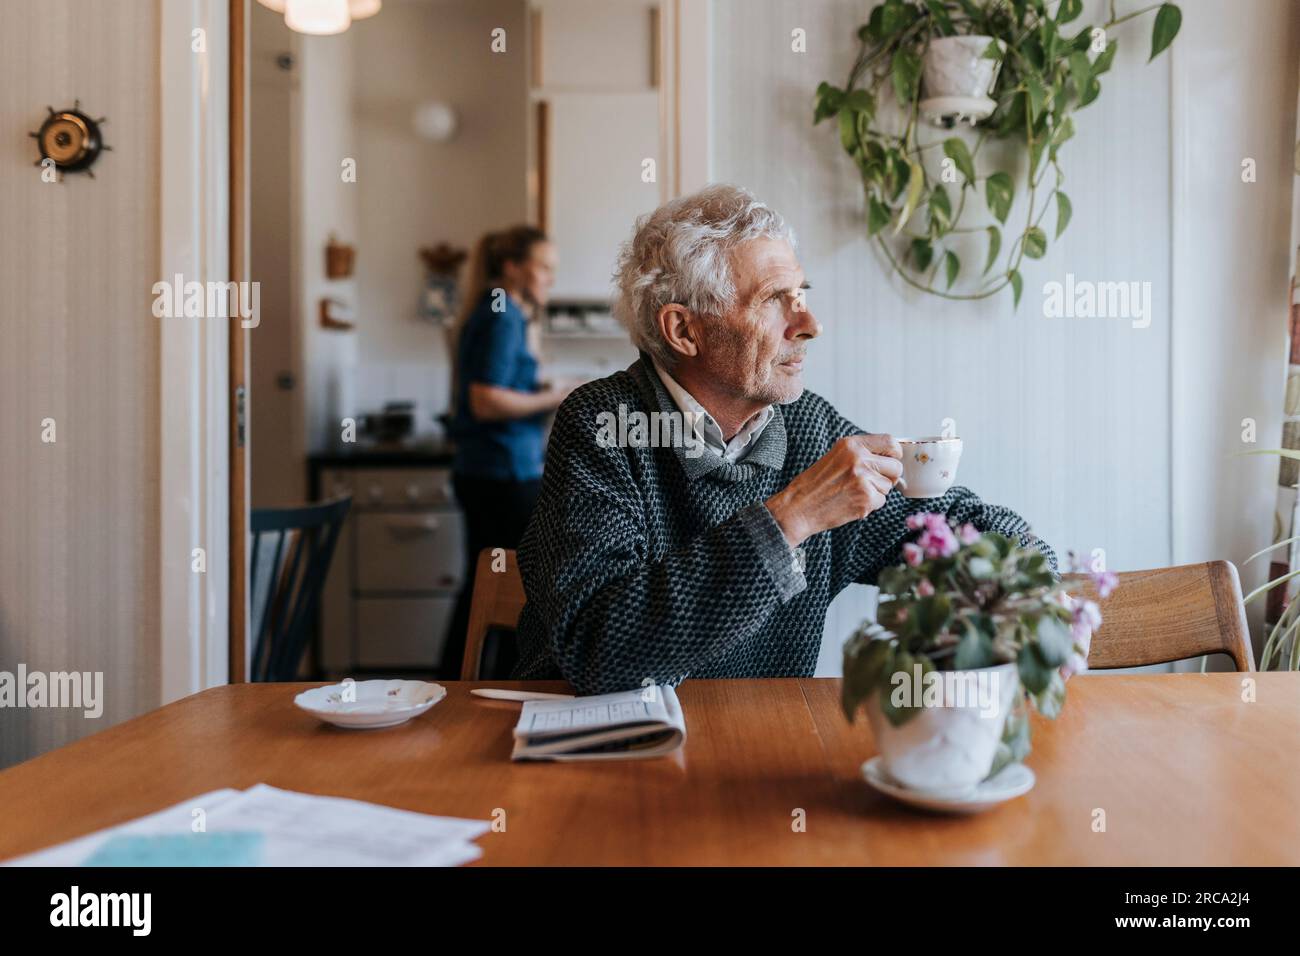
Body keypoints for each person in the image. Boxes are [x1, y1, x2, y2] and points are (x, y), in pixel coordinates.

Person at [512, 184, 1065, 695]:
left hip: (758, 751)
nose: (809, 324)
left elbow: (946, 528)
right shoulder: (602, 424)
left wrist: (1035, 580)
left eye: (801, 294)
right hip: (590, 757)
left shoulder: (807, 428)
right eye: (775, 299)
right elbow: (598, 650)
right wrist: (791, 518)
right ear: (684, 330)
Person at [442, 226, 574, 678]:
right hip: (499, 473)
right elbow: (485, 400)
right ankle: (475, 682)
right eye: (544, 267)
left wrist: (541, 389)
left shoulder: (502, 309)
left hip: (494, 470)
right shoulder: (502, 314)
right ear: (513, 267)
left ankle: (466, 680)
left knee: (487, 581)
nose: (551, 278)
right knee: (497, 584)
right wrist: (557, 397)